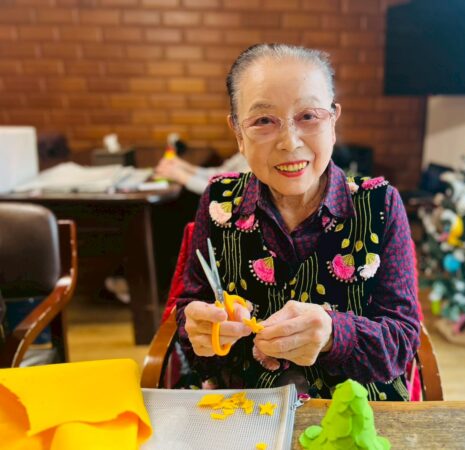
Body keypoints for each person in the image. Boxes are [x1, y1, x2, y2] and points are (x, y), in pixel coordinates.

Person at [175, 43, 420, 401]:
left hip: (355, 407)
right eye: (263, 121)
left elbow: (403, 341)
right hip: (243, 407)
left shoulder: (380, 204)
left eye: (308, 116)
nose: (290, 143)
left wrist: (335, 334)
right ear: (238, 134)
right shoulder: (219, 202)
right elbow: (190, 312)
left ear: (333, 121)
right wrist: (197, 328)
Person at [154, 149, 249, 195]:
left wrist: (179, 175)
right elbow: (221, 173)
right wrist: (183, 166)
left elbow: (224, 192)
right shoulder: (246, 149)